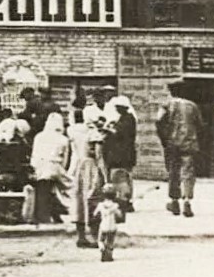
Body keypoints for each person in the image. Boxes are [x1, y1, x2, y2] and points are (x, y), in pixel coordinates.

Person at [157, 82, 203, 217]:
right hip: (189, 143)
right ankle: (187, 201)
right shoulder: (192, 106)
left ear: (171, 91)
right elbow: (200, 124)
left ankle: (174, 201)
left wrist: (164, 139)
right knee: (188, 173)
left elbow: (158, 121)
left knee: (173, 172)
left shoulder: (166, 105)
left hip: (172, 144)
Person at [66, 109, 106, 248]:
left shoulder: (71, 131)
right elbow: (99, 156)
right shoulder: (92, 133)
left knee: (79, 200)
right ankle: (95, 237)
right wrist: (104, 175)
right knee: (93, 199)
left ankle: (81, 236)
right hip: (90, 166)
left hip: (77, 166)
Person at [29, 112, 71, 224]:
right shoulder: (64, 139)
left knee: (42, 189)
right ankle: (57, 213)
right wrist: (61, 170)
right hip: (56, 167)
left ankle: (42, 216)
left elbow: (35, 154)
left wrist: (35, 168)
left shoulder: (39, 137)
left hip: (41, 166)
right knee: (62, 188)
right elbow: (65, 159)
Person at [102, 95, 137, 213]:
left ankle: (124, 200)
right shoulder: (124, 118)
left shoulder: (128, 119)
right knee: (124, 177)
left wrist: (109, 130)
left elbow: (120, 134)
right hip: (124, 153)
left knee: (121, 177)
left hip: (122, 154)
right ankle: (125, 199)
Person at [91, 184, 124, 262]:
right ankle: (109, 256)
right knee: (110, 242)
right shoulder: (115, 205)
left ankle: (102, 248)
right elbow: (120, 215)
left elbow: (94, 214)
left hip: (103, 226)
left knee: (100, 240)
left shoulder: (100, 205)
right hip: (112, 226)